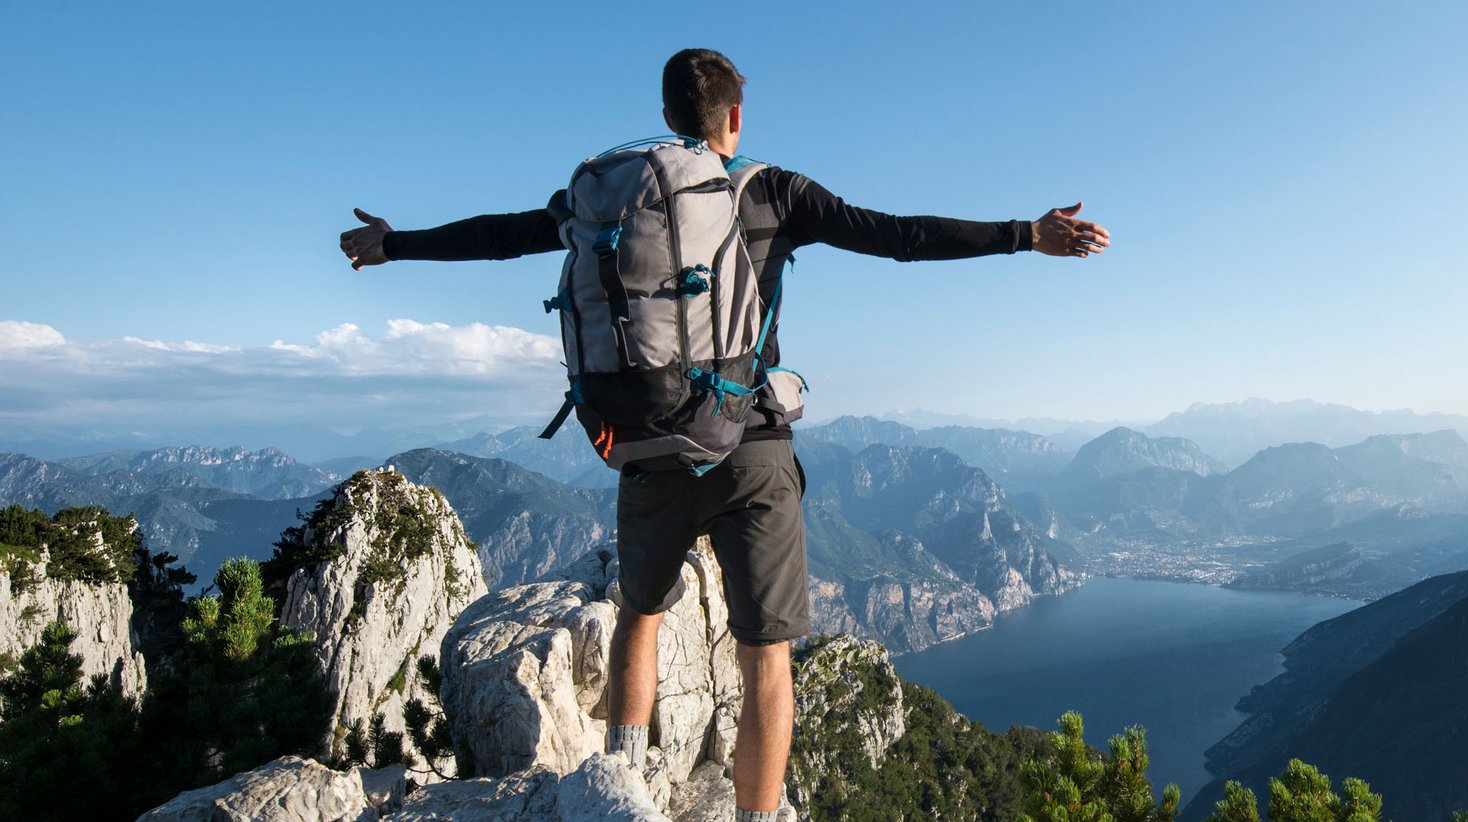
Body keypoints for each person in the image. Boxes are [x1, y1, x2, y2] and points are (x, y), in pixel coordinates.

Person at [338, 48, 1109, 822]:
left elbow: (502, 235)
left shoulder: (611, 196)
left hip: (643, 445)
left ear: (670, 118)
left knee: (639, 616)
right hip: (750, 450)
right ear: (735, 116)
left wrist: (395, 243)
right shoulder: (774, 190)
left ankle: (622, 788)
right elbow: (900, 235)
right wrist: (1023, 234)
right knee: (766, 660)